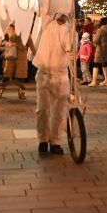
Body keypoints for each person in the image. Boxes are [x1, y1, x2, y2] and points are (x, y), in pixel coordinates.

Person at [33, 13, 73, 155]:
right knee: (42, 109)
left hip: (61, 75)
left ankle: (56, 141)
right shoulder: (47, 23)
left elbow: (71, 51)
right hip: (44, 74)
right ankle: (43, 140)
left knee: (59, 111)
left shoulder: (69, 30)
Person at [0, 23, 29, 99]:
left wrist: (35, 54)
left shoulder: (24, 28)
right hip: (11, 55)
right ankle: (1, 90)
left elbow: (29, 41)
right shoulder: (10, 27)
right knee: (7, 75)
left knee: (21, 77)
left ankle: (21, 93)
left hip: (21, 56)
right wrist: (8, 45)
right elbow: (4, 39)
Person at [90, 17, 107, 87]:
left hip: (100, 49)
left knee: (96, 64)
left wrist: (94, 36)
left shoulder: (100, 30)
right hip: (106, 48)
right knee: (104, 64)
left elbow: (95, 40)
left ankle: (93, 81)